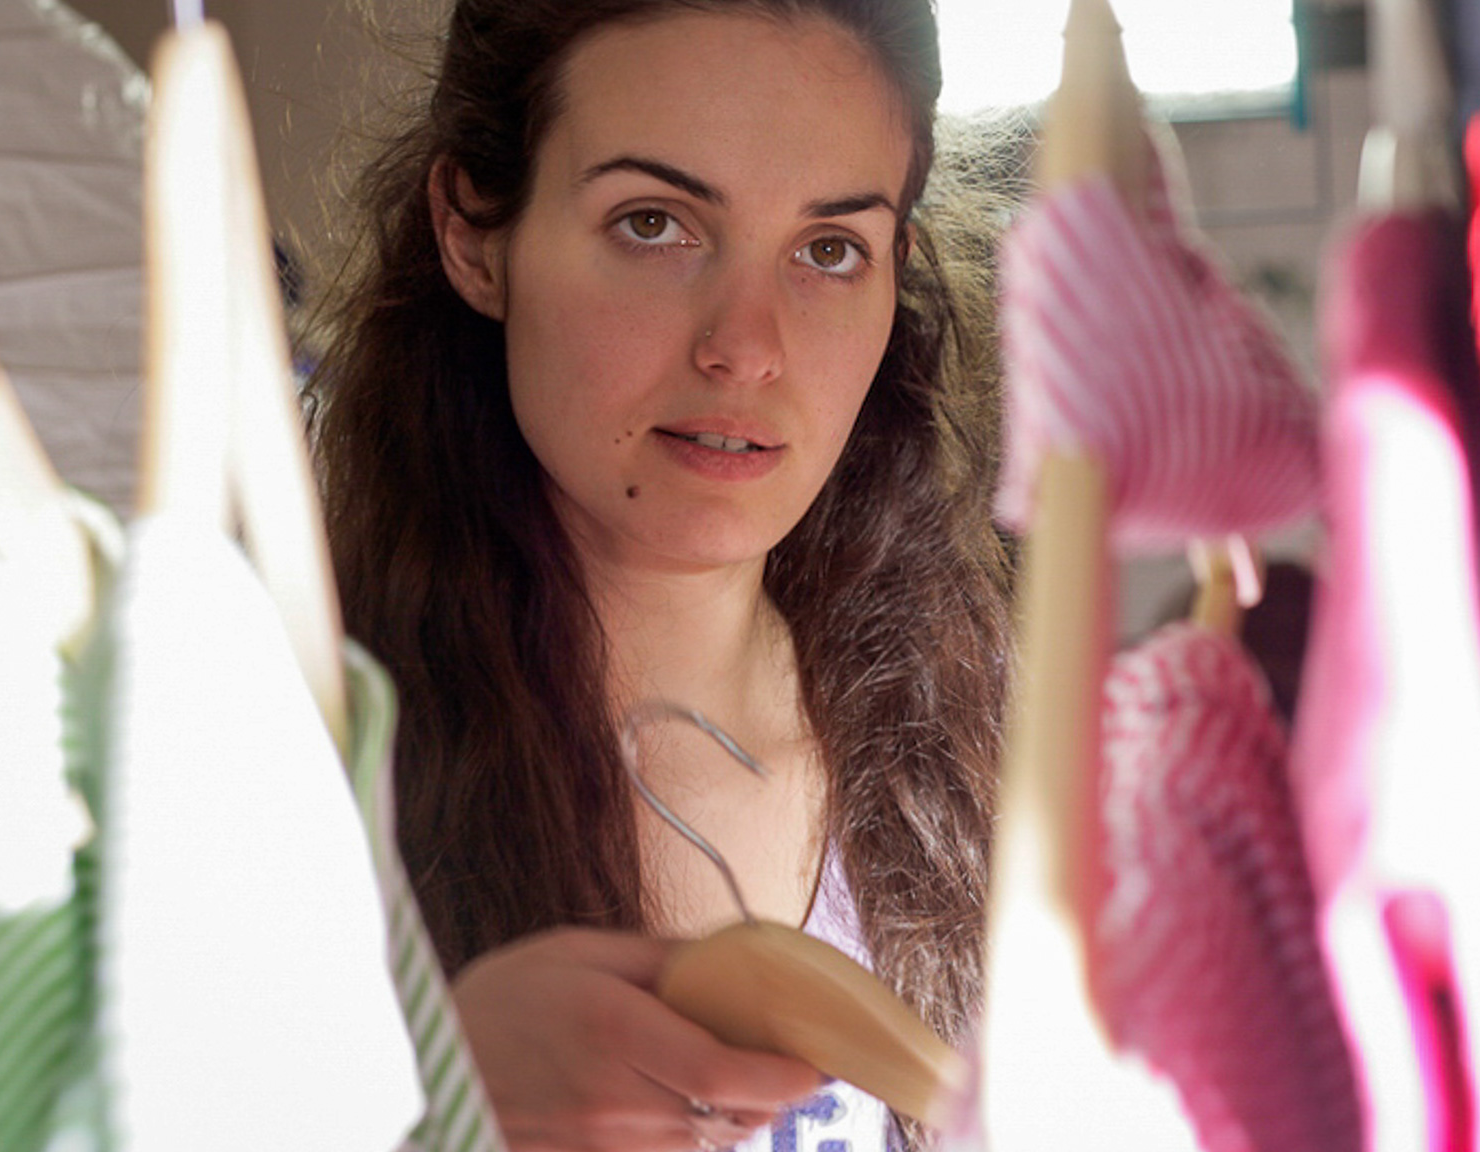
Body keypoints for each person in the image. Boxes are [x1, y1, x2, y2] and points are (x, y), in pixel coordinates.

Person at [305, 2, 1015, 1148]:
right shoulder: (277, 773)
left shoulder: (1001, 762)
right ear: (473, 235)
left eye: (828, 250)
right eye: (653, 225)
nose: (746, 347)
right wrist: (423, 1109)